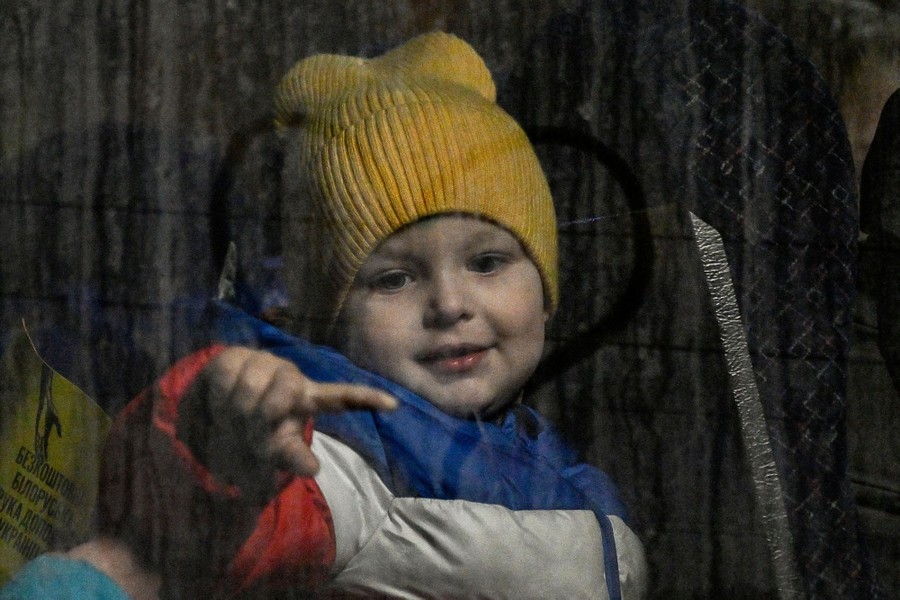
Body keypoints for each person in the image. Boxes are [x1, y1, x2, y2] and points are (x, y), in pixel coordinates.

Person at [1, 31, 647, 599]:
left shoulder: (544, 456)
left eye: (487, 262)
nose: (451, 305)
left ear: (546, 285)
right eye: (394, 278)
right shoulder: (343, 454)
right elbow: (211, 520)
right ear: (327, 319)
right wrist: (231, 431)